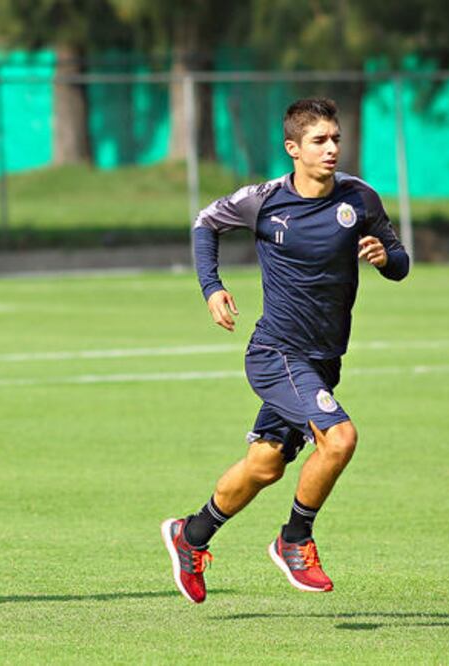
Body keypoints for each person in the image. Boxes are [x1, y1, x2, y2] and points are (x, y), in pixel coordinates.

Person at [161, 98, 409, 603]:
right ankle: (294, 539)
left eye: (335, 138)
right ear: (293, 148)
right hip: (277, 353)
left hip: (323, 360)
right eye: (319, 140)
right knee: (339, 439)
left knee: (265, 465)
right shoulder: (265, 200)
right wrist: (212, 287)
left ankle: (191, 535)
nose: (331, 148)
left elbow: (400, 261)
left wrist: (386, 258)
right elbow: (205, 222)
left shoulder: (360, 198)